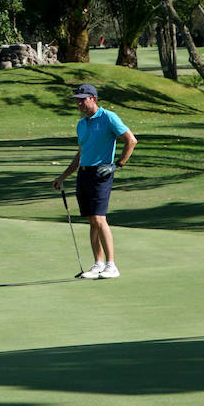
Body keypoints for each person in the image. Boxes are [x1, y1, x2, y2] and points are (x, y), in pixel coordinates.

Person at [52, 84, 137, 279]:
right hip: (84, 174)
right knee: (92, 221)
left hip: (101, 173)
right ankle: (98, 264)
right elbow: (81, 154)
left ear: (94, 99)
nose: (79, 103)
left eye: (83, 99)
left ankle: (111, 265)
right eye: (77, 100)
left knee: (100, 219)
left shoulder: (109, 117)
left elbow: (131, 140)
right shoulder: (82, 124)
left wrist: (117, 165)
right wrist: (62, 177)